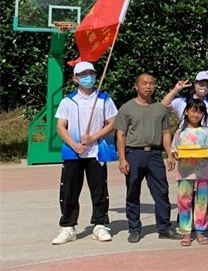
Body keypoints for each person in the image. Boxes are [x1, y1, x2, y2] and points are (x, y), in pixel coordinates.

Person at [52, 61, 118, 245]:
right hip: (73, 152)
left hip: (96, 152)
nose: (88, 77)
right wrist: (74, 144)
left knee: (99, 189)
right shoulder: (68, 101)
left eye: (91, 73)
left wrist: (94, 137)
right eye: (84, 74)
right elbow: (60, 126)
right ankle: (68, 226)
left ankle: (100, 224)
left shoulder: (104, 99)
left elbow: (113, 122)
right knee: (69, 190)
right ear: (76, 78)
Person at [114, 73, 180, 243]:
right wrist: (122, 159)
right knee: (133, 192)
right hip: (134, 154)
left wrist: (170, 154)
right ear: (136, 86)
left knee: (161, 191)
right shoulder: (126, 108)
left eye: (151, 83)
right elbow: (120, 135)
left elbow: (166, 132)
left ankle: (164, 227)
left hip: (155, 154)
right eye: (144, 83)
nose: (148, 86)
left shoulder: (160, 108)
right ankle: (134, 229)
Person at [163, 74, 208, 227]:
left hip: (205, 158)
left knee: (204, 196)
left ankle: (202, 225)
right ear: (195, 84)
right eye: (201, 83)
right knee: (185, 196)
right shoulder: (182, 102)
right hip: (186, 161)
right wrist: (176, 89)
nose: (204, 87)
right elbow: (163, 105)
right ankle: (185, 226)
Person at [170, 98, 208, 245]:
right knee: (184, 201)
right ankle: (186, 232)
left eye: (200, 112)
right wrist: (176, 155)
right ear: (186, 112)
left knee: (202, 202)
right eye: (193, 111)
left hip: (203, 172)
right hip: (185, 172)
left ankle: (200, 231)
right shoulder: (180, 133)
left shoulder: (206, 132)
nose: (196, 115)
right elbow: (174, 150)